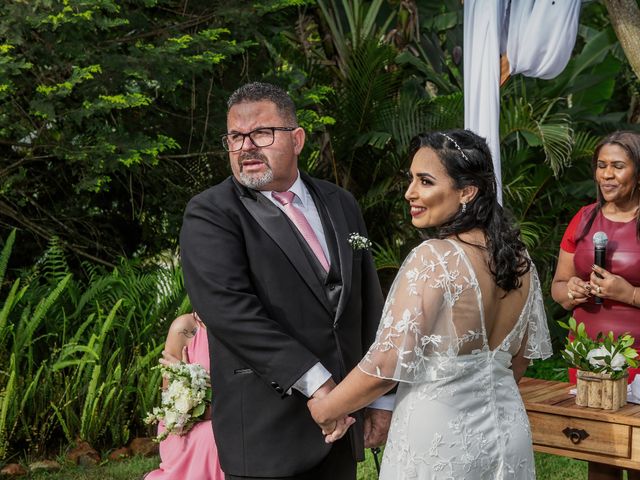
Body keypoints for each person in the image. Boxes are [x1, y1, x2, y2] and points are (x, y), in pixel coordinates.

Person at [307, 129, 553, 479]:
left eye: (424, 181)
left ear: (467, 191)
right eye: (411, 180)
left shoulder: (434, 258)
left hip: (440, 442)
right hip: (506, 435)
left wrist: (327, 408)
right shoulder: (519, 259)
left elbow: (387, 364)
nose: (410, 193)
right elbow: (518, 361)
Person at [179, 82, 389, 480]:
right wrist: (320, 385)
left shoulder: (340, 203)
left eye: (261, 133)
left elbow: (367, 303)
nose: (246, 147)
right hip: (266, 434)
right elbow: (229, 312)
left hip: (342, 429)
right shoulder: (211, 213)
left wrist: (380, 398)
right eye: (235, 137)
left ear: (297, 139)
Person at [551, 130, 640, 480]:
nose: (606, 174)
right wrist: (570, 290)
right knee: (599, 451)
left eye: (618, 166)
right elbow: (558, 286)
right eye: (601, 166)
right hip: (592, 355)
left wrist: (628, 293)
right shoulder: (585, 218)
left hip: (639, 358)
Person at [145, 312, 224, 480]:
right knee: (215, 437)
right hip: (190, 424)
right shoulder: (185, 327)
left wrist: (203, 379)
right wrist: (186, 377)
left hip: (231, 413)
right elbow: (168, 398)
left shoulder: (244, 326)